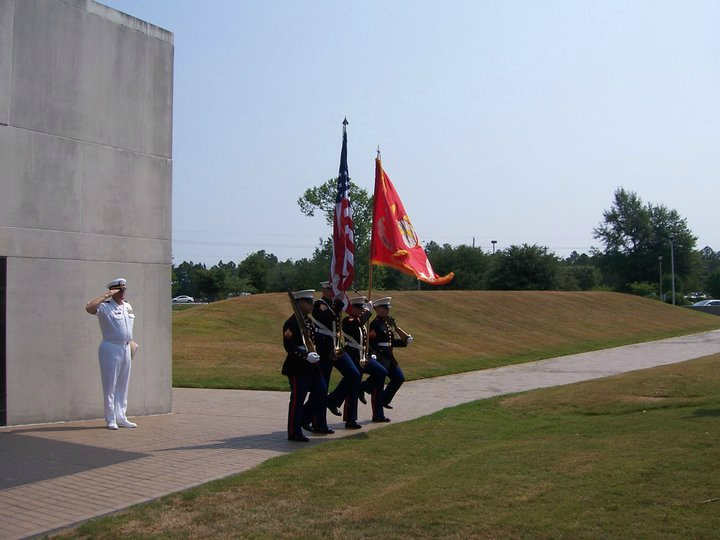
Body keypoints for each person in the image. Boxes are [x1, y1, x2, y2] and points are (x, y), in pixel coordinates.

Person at [309, 281, 363, 430]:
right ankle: (318, 423)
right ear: (325, 290)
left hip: (336, 347)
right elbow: (330, 317)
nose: (335, 293)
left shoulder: (333, 305)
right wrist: (339, 301)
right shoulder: (320, 305)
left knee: (354, 374)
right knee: (322, 386)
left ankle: (333, 400)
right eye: (332, 290)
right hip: (324, 348)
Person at [85, 278, 138, 430]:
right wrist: (106, 295)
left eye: (124, 290)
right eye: (119, 290)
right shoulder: (105, 307)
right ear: (113, 291)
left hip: (126, 347)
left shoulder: (127, 306)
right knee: (110, 385)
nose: (123, 292)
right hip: (110, 347)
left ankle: (121, 417)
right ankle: (110, 419)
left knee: (123, 385)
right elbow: (89, 308)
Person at [282, 289, 331, 442]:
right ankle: (294, 432)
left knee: (321, 392)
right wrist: (305, 356)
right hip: (298, 367)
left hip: (312, 366)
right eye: (308, 302)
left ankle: (304, 418)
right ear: (299, 303)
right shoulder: (291, 323)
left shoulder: (308, 321)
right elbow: (290, 347)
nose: (311, 305)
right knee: (298, 399)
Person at [342, 296, 391, 423]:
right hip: (353, 355)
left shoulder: (362, 323)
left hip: (364, 356)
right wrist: (368, 311)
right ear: (352, 308)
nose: (361, 310)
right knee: (353, 386)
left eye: (362, 308)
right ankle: (350, 419)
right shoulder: (348, 321)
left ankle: (378, 413)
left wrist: (371, 353)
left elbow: (365, 342)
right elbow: (357, 323)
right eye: (359, 308)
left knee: (381, 372)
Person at [369, 297, 412, 410]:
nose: (388, 311)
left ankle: (384, 399)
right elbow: (371, 342)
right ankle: (364, 388)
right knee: (378, 380)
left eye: (388, 308)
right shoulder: (375, 324)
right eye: (385, 308)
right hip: (381, 356)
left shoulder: (387, 323)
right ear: (378, 309)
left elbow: (390, 341)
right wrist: (374, 354)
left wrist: (404, 340)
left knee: (399, 378)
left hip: (389, 356)